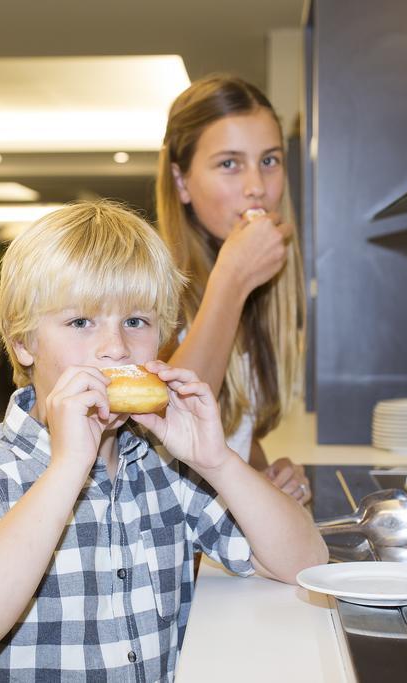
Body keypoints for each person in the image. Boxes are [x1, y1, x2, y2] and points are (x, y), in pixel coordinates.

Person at [0, 201, 328, 681]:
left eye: (136, 321)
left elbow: (306, 564)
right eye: (80, 322)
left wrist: (218, 461)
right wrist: (68, 466)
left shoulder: (166, 465)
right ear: (24, 342)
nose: (116, 348)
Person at [156, 74, 312, 505]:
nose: (257, 187)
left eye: (270, 160)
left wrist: (265, 472)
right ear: (182, 181)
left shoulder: (264, 288)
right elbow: (176, 428)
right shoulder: (148, 294)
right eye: (229, 163)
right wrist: (233, 278)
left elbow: (234, 427)